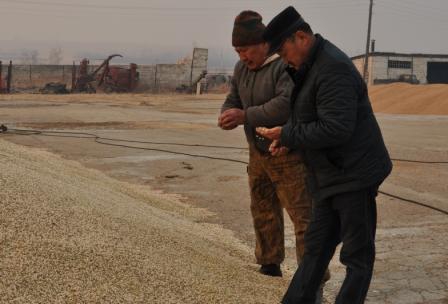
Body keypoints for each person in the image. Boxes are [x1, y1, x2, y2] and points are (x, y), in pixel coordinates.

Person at [257, 6, 393, 304]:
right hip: (330, 177)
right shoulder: (309, 66)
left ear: (301, 36)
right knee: (315, 251)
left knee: (356, 258)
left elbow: (336, 129)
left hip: (354, 176)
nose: (283, 59)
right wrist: (289, 138)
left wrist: (288, 134)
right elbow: (309, 115)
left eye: (283, 52)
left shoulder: (333, 67)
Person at [218, 10, 313, 279]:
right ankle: (269, 263)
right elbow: (233, 98)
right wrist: (227, 114)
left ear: (263, 44)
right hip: (257, 152)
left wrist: (245, 116)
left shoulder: (284, 65)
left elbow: (285, 104)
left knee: (302, 216)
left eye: (246, 50)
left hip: (287, 151)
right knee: (262, 208)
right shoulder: (241, 70)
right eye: (237, 52)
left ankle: (311, 276)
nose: (242, 57)